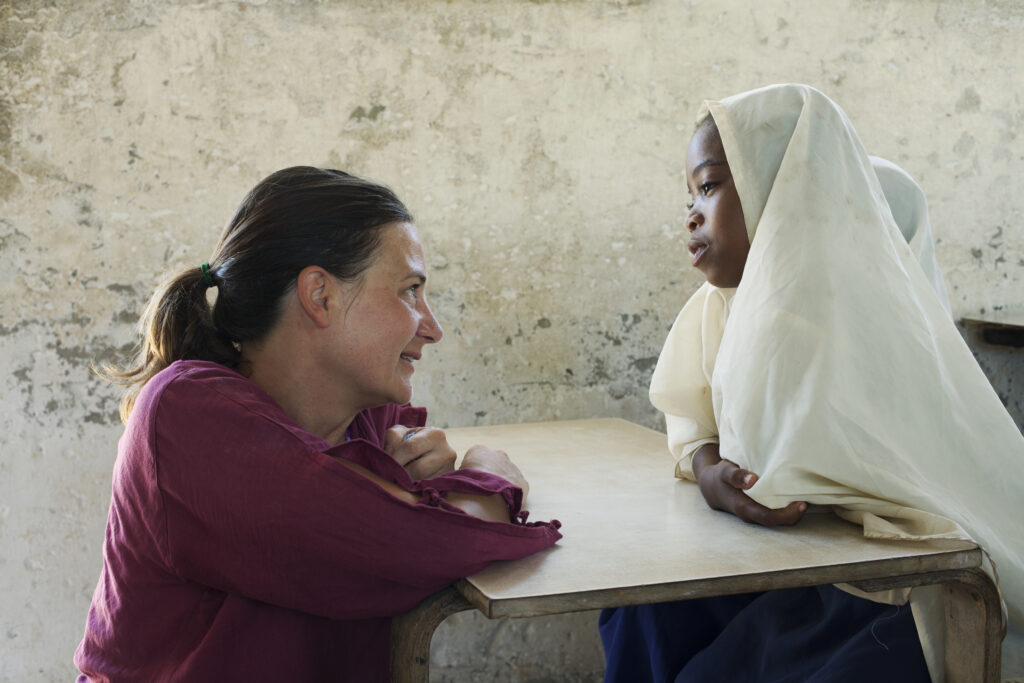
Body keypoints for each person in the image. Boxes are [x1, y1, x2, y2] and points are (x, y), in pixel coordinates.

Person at [601, 84, 1024, 681]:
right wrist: (706, 468)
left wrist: (744, 477)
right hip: (802, 571)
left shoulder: (865, 333)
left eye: (712, 185)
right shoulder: (725, 308)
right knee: (640, 610)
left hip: (889, 591)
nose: (691, 212)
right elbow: (697, 423)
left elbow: (788, 481)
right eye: (690, 193)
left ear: (785, 199)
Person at [73, 166, 562, 682]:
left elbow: (411, 529)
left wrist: (429, 487)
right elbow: (419, 544)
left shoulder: (365, 417)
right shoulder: (186, 413)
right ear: (320, 295)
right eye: (409, 290)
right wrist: (493, 477)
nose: (432, 327)